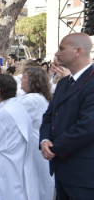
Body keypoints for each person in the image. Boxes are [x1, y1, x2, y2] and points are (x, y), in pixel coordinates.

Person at [40, 33, 94, 199]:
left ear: (78, 51)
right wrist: (44, 140)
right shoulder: (63, 82)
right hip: (62, 171)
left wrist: (54, 148)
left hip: (83, 174)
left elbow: (87, 127)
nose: (56, 53)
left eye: (61, 49)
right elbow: (49, 116)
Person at [0, 74, 39, 200]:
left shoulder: (2, 113)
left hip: (2, 164)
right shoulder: (16, 106)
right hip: (14, 160)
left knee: (3, 193)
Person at [19, 66, 55, 200]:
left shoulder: (31, 99)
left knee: (37, 183)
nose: (21, 80)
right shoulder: (39, 97)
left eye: (24, 77)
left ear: (32, 81)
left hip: (35, 147)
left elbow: (12, 115)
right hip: (37, 144)